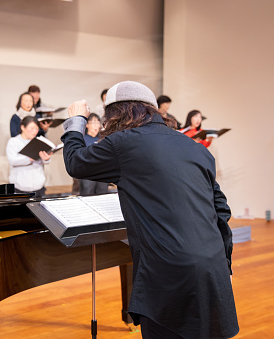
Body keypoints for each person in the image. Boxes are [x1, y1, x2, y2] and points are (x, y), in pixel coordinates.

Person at [61, 81, 238, 338]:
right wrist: (226, 264)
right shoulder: (195, 148)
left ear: (115, 114)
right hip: (213, 267)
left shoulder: (123, 143)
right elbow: (221, 210)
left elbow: (76, 162)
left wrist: (77, 120)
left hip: (168, 271)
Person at [6, 116, 51, 197]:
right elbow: (12, 160)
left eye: (36, 129)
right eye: (32, 128)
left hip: (38, 186)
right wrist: (30, 158)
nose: (34, 131)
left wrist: (46, 159)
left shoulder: (39, 141)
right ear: (23, 127)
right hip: (20, 187)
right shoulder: (14, 142)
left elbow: (44, 161)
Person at [79, 113, 108, 195]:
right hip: (88, 173)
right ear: (87, 125)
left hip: (103, 173)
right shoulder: (82, 139)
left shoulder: (103, 138)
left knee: (102, 195)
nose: (96, 125)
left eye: (98, 122)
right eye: (93, 122)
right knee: (87, 195)